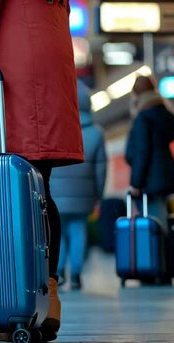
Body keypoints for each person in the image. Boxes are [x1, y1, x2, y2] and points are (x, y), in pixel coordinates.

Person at [0, 0, 84, 342]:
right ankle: (45, 299)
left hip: (13, 67)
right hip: (47, 64)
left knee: (4, 191)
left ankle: (10, 301)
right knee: (38, 188)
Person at [53, 80, 107, 290]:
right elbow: (101, 169)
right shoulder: (96, 133)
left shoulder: (56, 129)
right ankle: (76, 274)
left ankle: (59, 272)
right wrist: (98, 194)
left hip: (56, 194)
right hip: (85, 194)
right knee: (78, 230)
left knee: (59, 231)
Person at [125, 76, 174, 223]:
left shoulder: (143, 118)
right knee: (160, 216)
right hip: (164, 176)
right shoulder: (166, 115)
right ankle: (163, 244)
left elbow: (142, 151)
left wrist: (136, 183)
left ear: (136, 96)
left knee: (154, 221)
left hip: (149, 180)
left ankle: (158, 246)